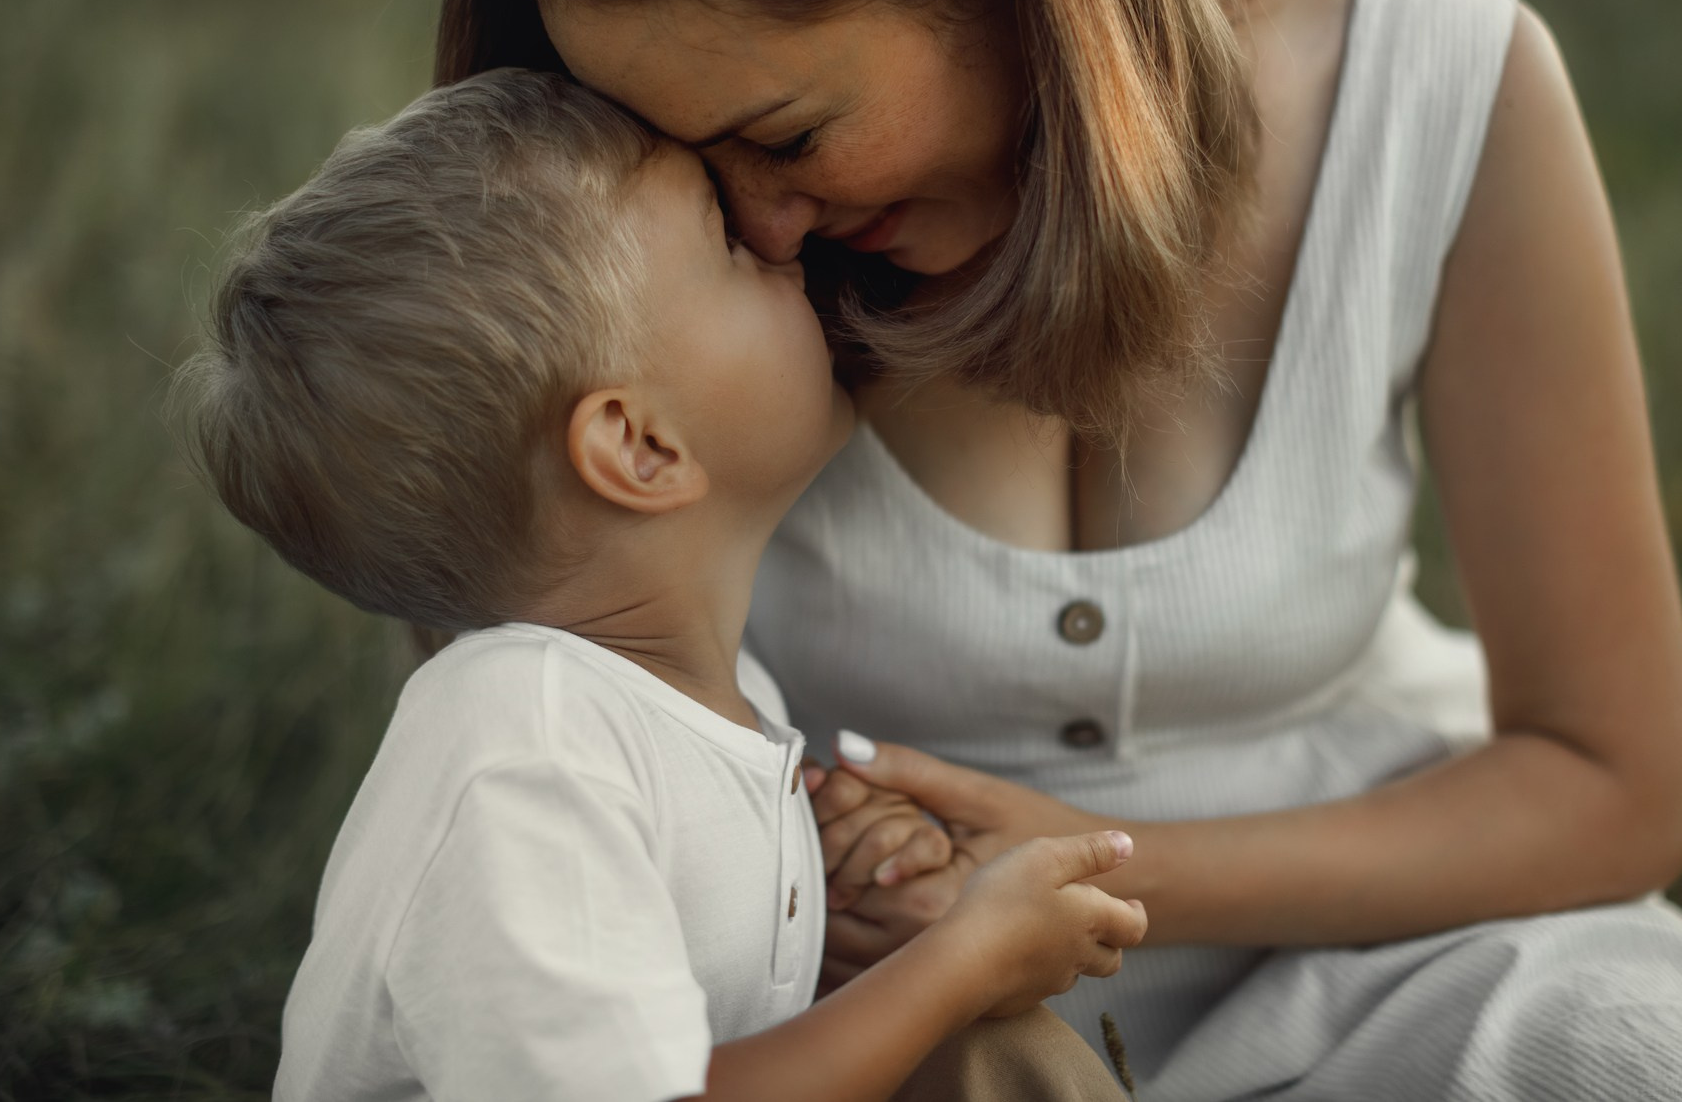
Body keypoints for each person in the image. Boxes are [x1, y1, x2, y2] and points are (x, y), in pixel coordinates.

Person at [436, 0, 1682, 1097]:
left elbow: (1612, 786)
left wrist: (1093, 872)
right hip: (858, 1004)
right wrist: (803, 879)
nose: (760, 228)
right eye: (683, 161)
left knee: (1625, 1064)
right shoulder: (657, 236)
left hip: (1396, 940)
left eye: (790, 137)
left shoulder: (1438, 79)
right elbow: (541, 725)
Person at [173, 67, 1148, 1101]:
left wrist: (840, 929)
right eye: (725, 242)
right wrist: (959, 967)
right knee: (990, 1044)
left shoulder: (706, 708)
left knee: (998, 1052)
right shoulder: (524, 743)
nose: (780, 244)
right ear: (638, 447)